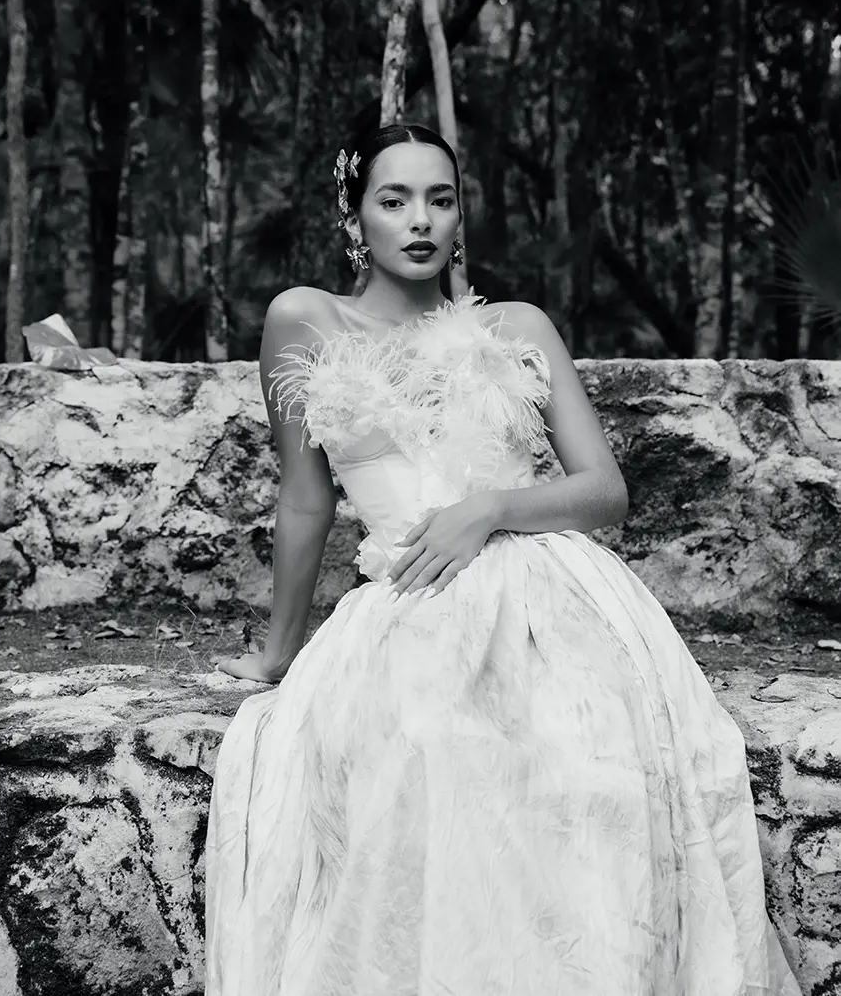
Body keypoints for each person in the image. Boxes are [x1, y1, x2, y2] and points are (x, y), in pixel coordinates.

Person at [205, 123, 802, 995]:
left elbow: (604, 491)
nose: (420, 221)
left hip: (554, 592)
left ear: (460, 217)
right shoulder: (306, 319)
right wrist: (277, 651)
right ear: (354, 216)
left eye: (440, 200)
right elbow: (306, 498)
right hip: (408, 597)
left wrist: (487, 510)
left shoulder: (518, 325)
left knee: (576, 758)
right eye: (394, 199)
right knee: (431, 747)